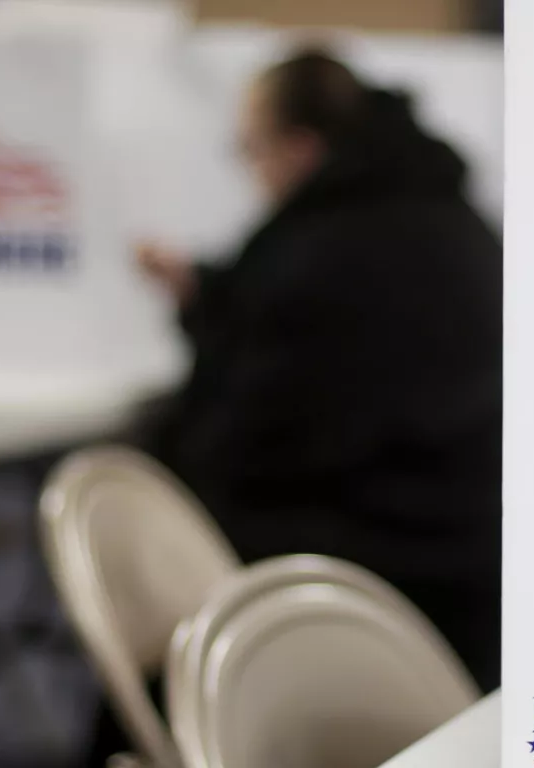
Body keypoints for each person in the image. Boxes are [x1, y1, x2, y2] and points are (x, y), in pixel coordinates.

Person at [94, 48, 503, 762]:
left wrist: (153, 446)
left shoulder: (321, 251)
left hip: (377, 575)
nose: (251, 171)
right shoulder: (453, 220)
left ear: (300, 147)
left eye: (250, 149)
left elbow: (251, 436)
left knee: (167, 533)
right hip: (476, 563)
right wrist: (207, 294)